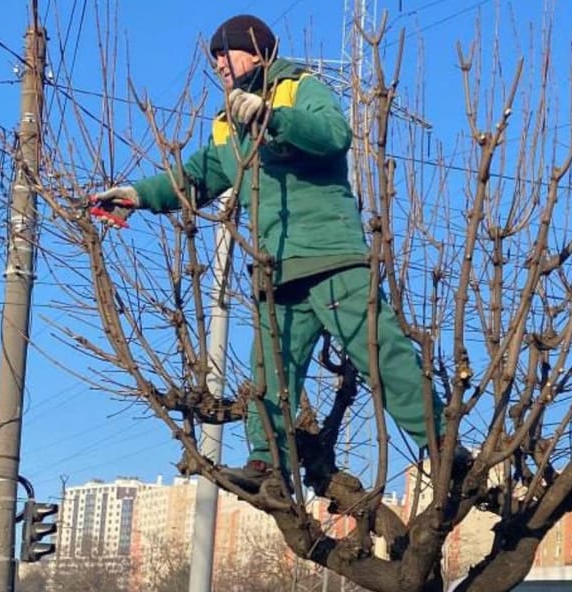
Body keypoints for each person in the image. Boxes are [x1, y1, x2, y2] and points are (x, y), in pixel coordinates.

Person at [90, 14, 446, 494]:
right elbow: (194, 178)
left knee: (384, 358)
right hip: (276, 268)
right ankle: (268, 467)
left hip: (332, 256)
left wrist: (270, 117)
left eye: (226, 53)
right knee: (270, 374)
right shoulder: (227, 125)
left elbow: (333, 134)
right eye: (214, 58)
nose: (219, 64)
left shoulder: (300, 87)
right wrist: (137, 195)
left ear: (257, 51)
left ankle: (444, 450)